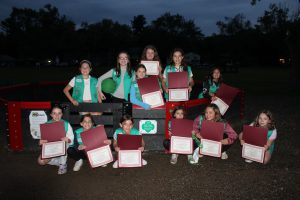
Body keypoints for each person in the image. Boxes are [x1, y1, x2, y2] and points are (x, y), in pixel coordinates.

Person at [37, 105, 74, 175]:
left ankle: (63, 164)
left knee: (64, 144)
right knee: (41, 161)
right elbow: (42, 140)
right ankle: (58, 162)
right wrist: (40, 142)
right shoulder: (46, 125)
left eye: (59, 113)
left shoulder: (66, 124)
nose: (57, 116)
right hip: (51, 147)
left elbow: (71, 138)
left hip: (63, 146)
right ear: (51, 114)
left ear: (62, 114)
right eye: (54, 113)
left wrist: (68, 139)